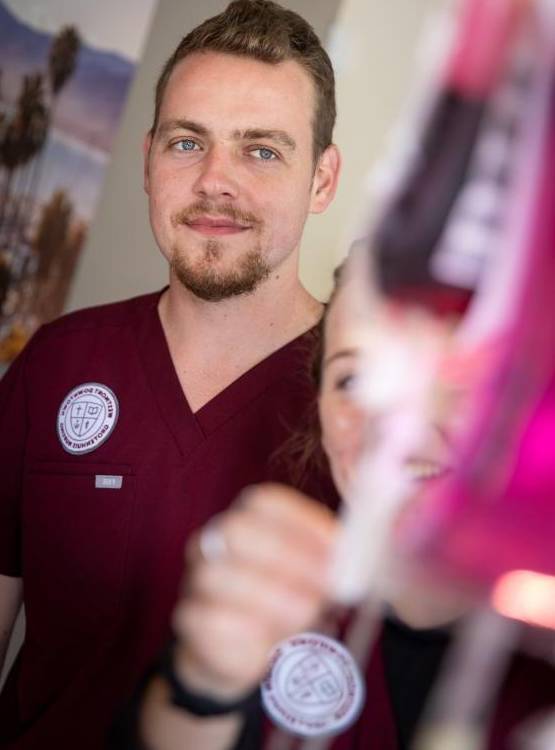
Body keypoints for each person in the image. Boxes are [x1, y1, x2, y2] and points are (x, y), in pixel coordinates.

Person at [0, 0, 342, 750]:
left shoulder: (362, 411)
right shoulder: (63, 358)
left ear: (322, 180)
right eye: (187, 142)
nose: (215, 182)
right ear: (148, 159)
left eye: (262, 150)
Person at [131, 251, 555, 750]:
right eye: (353, 380)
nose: (393, 426)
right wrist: (206, 681)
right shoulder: (283, 585)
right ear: (319, 405)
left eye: (452, 377)